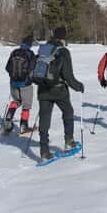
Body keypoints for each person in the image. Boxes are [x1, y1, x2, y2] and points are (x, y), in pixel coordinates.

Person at [35, 27, 84, 161]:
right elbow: (68, 75)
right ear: (63, 38)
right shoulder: (63, 51)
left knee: (44, 119)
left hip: (42, 89)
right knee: (68, 112)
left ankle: (44, 152)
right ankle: (69, 141)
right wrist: (78, 86)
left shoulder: (44, 49)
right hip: (58, 90)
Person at [2, 34, 36, 135]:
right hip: (26, 84)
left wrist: (13, 76)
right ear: (30, 44)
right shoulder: (30, 54)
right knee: (26, 105)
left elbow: (7, 67)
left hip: (13, 83)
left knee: (16, 101)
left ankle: (8, 118)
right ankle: (24, 126)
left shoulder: (14, 52)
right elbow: (33, 68)